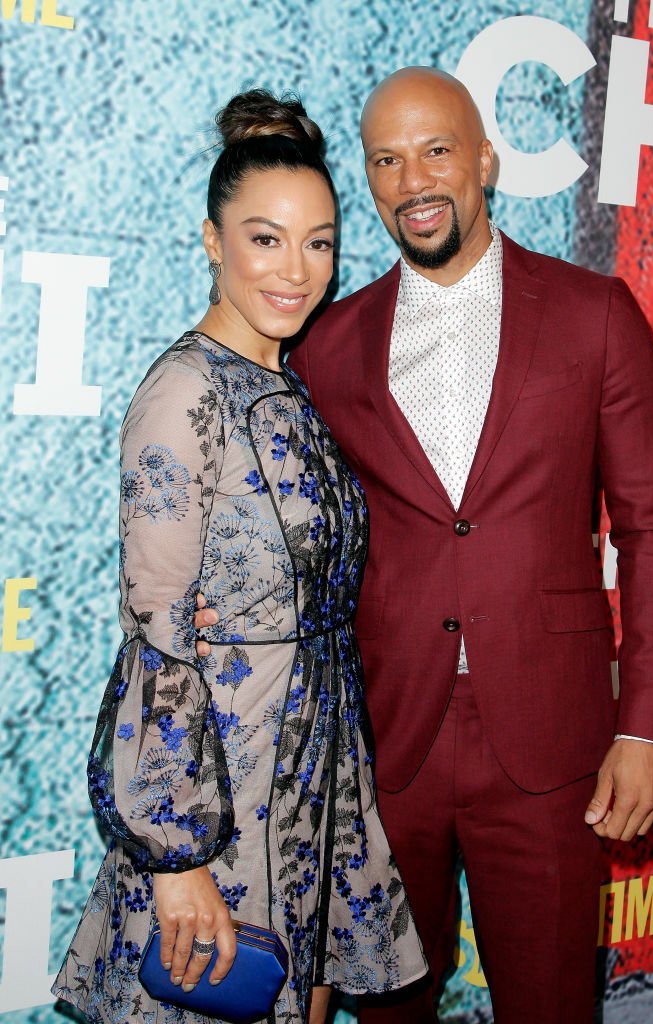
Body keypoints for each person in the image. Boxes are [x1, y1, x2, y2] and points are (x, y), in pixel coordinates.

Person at [194, 68, 653, 1023]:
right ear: (368, 182)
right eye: (386, 159)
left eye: (435, 149)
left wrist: (647, 727)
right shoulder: (329, 346)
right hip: (387, 750)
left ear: (485, 161)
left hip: (554, 752)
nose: (412, 178)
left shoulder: (595, 313)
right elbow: (306, 539)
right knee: (388, 1012)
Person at [52, 89, 427, 1024]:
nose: (295, 270)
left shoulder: (287, 385)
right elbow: (156, 638)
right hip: (220, 795)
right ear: (212, 241)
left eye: (319, 242)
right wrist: (175, 859)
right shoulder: (185, 394)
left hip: (312, 785)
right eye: (265, 239)